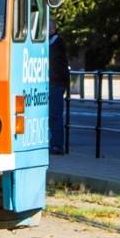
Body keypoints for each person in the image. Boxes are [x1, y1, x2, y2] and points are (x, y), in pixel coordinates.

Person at [48, 21, 69, 154]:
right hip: (55, 82)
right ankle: (55, 143)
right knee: (53, 115)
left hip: (55, 83)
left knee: (55, 115)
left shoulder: (56, 43)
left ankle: (57, 145)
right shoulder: (54, 42)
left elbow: (55, 63)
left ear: (53, 29)